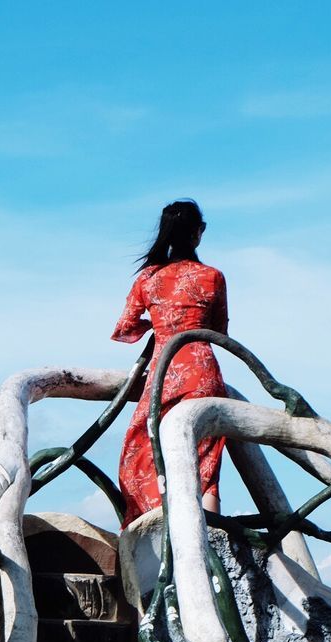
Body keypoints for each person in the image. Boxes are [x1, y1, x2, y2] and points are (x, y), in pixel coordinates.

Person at [112, 199, 228, 527]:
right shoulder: (213, 277)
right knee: (204, 459)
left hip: (164, 376)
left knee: (143, 451)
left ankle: (151, 533)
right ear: (198, 233)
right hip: (203, 374)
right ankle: (212, 542)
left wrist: (161, 324)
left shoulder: (148, 278)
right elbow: (219, 331)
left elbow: (125, 327)